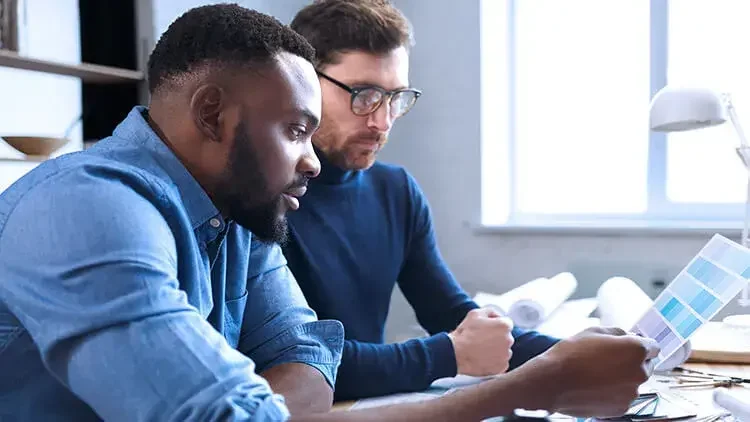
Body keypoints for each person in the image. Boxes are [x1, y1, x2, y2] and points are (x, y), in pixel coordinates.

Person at [0, 4, 658, 421]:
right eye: (293, 129)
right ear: (210, 114)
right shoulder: (87, 209)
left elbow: (308, 360)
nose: (310, 160)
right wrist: (529, 386)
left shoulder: (241, 219)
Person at [283, 0, 559, 401]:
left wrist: (571, 352)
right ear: (303, 81)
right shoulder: (267, 199)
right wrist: (448, 354)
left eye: (395, 97)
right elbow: (300, 364)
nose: (382, 121)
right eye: (363, 95)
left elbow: (449, 313)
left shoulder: (395, 191)